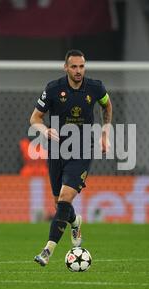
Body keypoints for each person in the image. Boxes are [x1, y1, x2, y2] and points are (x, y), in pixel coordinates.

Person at [29, 49, 113, 266]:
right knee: (59, 201)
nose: (78, 71)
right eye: (74, 66)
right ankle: (75, 222)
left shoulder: (96, 87)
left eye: (82, 66)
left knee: (65, 198)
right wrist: (44, 130)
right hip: (57, 150)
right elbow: (35, 118)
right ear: (65, 67)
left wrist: (105, 132)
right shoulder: (53, 89)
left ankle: (47, 250)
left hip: (83, 149)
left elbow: (107, 105)